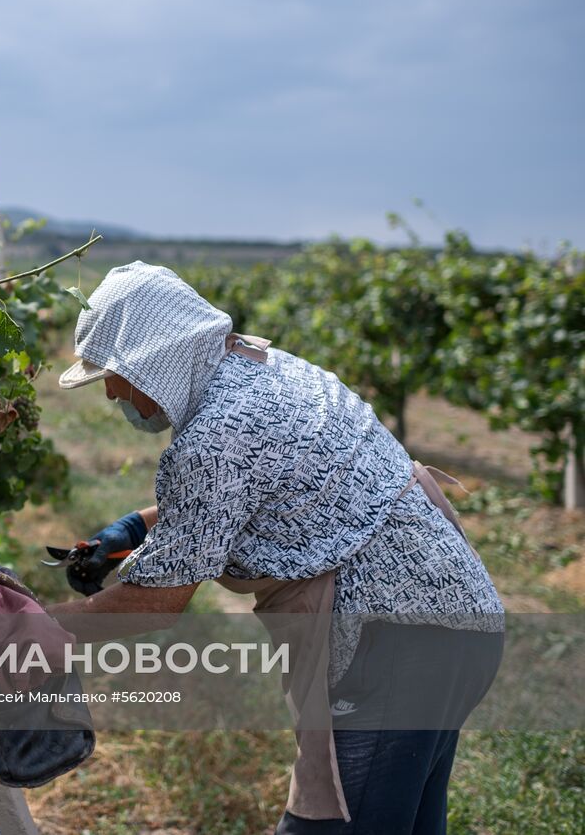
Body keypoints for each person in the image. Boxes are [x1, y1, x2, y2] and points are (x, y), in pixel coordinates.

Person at [48, 262, 504, 835]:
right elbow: (271, 489)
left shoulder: (215, 437)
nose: (111, 389)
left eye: (113, 372)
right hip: (456, 620)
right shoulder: (265, 369)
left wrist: (28, 628)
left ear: (153, 357)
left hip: (392, 652)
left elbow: (156, 605)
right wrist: (135, 528)